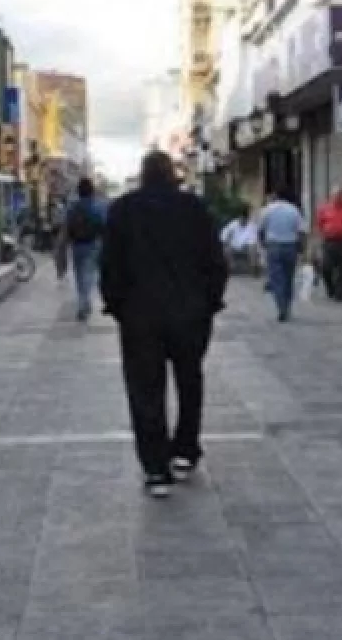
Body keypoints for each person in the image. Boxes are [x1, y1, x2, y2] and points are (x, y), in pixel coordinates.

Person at [99, 151, 228, 498]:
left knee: (145, 389)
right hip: (190, 313)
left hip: (140, 315)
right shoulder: (194, 208)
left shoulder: (124, 210)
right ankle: (185, 449)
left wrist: (117, 305)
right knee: (190, 380)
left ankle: (156, 468)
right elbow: (215, 260)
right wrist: (210, 302)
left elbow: (110, 263)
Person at [256, 190, 307, 321]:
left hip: (273, 246)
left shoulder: (267, 210)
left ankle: (281, 306)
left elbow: (260, 230)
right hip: (290, 246)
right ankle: (287, 305)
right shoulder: (294, 210)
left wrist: (262, 244)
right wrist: (302, 248)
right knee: (288, 278)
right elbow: (301, 231)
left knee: (276, 278)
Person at [64, 178, 109, 321]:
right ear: (92, 191)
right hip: (93, 245)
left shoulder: (72, 207)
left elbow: (67, 227)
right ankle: (84, 303)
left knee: (79, 276)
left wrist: (64, 245)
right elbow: (104, 226)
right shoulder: (98, 206)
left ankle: (84, 302)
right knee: (89, 274)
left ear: (79, 191)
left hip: (77, 245)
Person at [315, 187, 342, 303]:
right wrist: (317, 242)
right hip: (329, 242)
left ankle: (340, 292)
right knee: (325, 267)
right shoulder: (324, 209)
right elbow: (318, 226)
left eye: (340, 195)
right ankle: (330, 287)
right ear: (331, 196)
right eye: (336, 195)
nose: (338, 198)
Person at [219, 205, 259, 277]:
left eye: (245, 218)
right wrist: (227, 242)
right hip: (233, 245)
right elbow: (223, 236)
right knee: (226, 248)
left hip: (246, 246)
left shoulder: (252, 226)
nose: (243, 220)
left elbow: (253, 240)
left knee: (253, 247)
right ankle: (230, 267)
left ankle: (253, 267)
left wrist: (251, 245)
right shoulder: (233, 224)